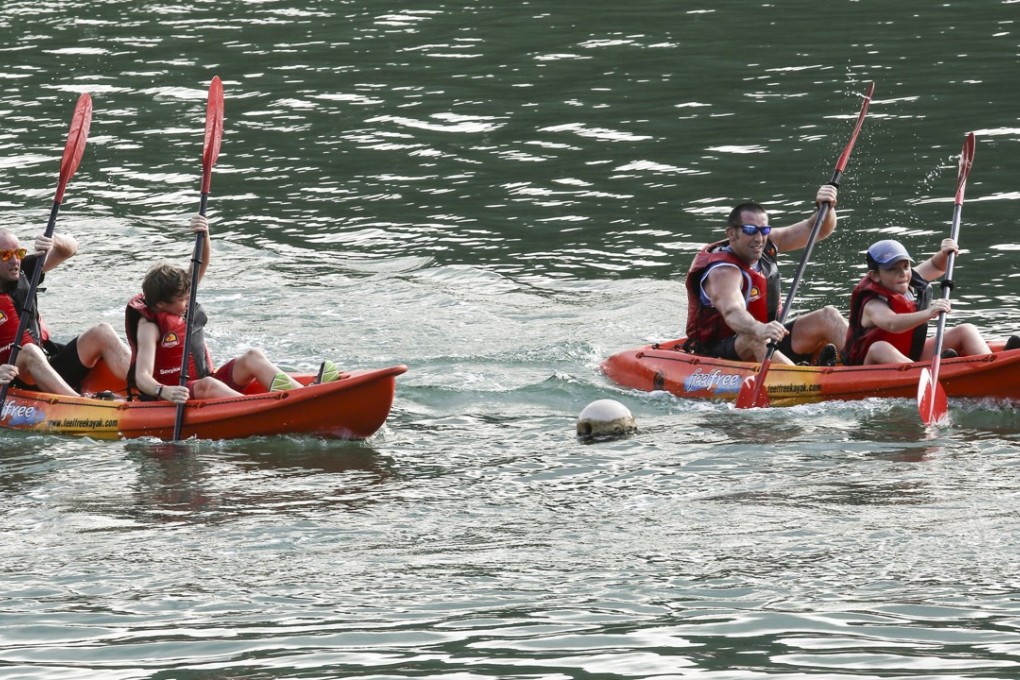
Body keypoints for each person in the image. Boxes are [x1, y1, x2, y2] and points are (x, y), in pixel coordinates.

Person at [125, 214, 340, 404]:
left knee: (252, 357)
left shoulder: (180, 298)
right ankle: (265, 410)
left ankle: (304, 395)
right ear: (162, 304)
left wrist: (204, 233)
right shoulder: (149, 326)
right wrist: (164, 391)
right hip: (178, 394)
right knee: (208, 384)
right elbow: (142, 377)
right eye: (183, 299)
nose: (189, 301)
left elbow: (199, 265)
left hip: (205, 381)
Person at [683, 184, 846, 366]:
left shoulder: (768, 243)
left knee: (828, 316)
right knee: (754, 338)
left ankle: (863, 363)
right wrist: (757, 328)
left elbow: (816, 229)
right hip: (720, 352)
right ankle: (800, 380)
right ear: (731, 234)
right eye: (750, 230)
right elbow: (732, 311)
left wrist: (827, 207)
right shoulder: (722, 272)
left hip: (769, 339)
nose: (759, 238)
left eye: (764, 230)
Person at [0, 229, 131, 396]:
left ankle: (149, 387)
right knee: (30, 351)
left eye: (18, 253)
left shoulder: (23, 268)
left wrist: (53, 241)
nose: (14, 261)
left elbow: (69, 249)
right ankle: (79, 404)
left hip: (45, 367)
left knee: (102, 332)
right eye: (5, 255)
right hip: (15, 377)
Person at [844, 238, 1013, 365]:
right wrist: (929, 313)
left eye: (905, 266)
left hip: (911, 354)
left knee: (965, 330)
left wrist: (945, 253)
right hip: (875, 362)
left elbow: (937, 266)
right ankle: (937, 375)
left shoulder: (906, 280)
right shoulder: (873, 303)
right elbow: (892, 323)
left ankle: (993, 366)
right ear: (875, 275)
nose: (902, 273)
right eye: (892, 269)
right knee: (879, 347)